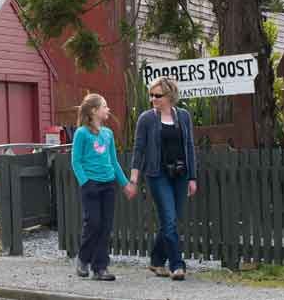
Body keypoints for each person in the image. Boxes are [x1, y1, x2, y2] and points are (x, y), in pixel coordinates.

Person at [130, 77, 198, 280]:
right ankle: (177, 265)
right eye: (151, 95)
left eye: (157, 95)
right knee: (168, 220)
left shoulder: (184, 116)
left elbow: (189, 147)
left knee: (172, 220)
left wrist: (192, 177)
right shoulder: (146, 118)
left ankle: (156, 261)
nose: (153, 99)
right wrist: (134, 178)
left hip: (180, 174)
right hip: (157, 174)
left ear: (169, 96)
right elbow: (139, 149)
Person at [71, 93, 137, 281]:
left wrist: (125, 184)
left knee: (105, 226)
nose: (108, 109)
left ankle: (100, 268)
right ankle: (83, 259)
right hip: (91, 185)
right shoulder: (82, 133)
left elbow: (114, 162)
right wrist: (86, 182)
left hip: (108, 185)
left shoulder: (108, 134)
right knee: (93, 223)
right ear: (94, 111)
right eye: (105, 106)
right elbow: (76, 162)